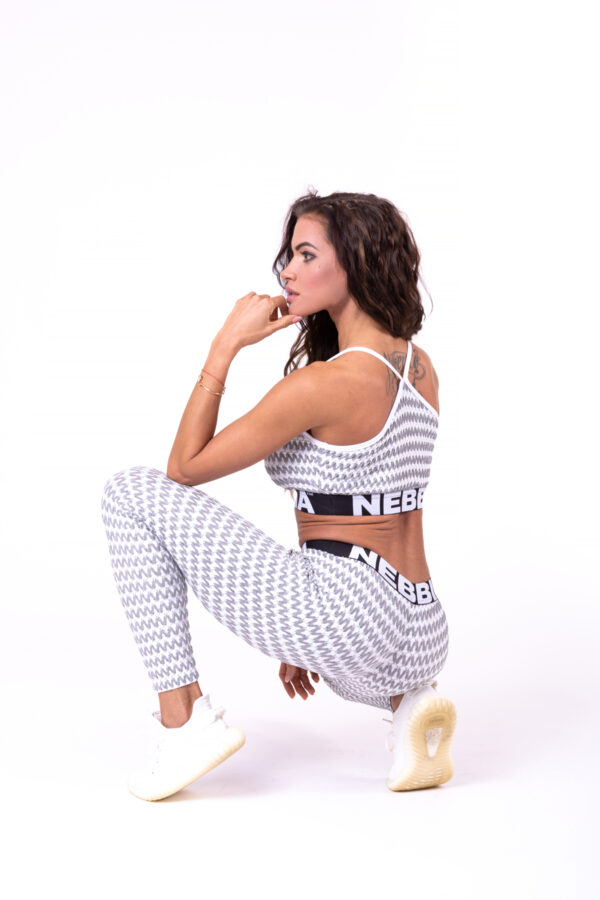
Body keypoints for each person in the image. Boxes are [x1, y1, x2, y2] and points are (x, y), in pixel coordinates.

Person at [100, 189, 457, 802]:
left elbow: (183, 468)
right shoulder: (419, 368)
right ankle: (408, 705)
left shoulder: (326, 383)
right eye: (289, 255)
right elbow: (350, 494)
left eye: (306, 254)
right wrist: (301, 628)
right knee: (352, 652)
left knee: (129, 493)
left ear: (357, 261)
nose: (287, 271)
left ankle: (183, 726)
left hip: (348, 610)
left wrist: (225, 344)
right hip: (421, 623)